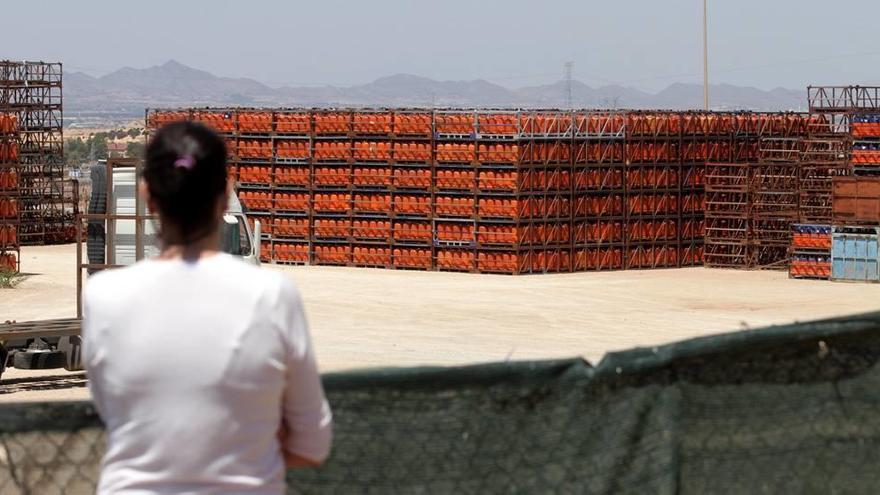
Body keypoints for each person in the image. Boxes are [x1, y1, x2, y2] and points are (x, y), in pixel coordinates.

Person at [82, 121, 332, 494]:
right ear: (225, 192)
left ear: (146, 194)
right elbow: (312, 445)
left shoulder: (103, 297)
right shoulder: (272, 295)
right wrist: (245, 442)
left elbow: (115, 412)